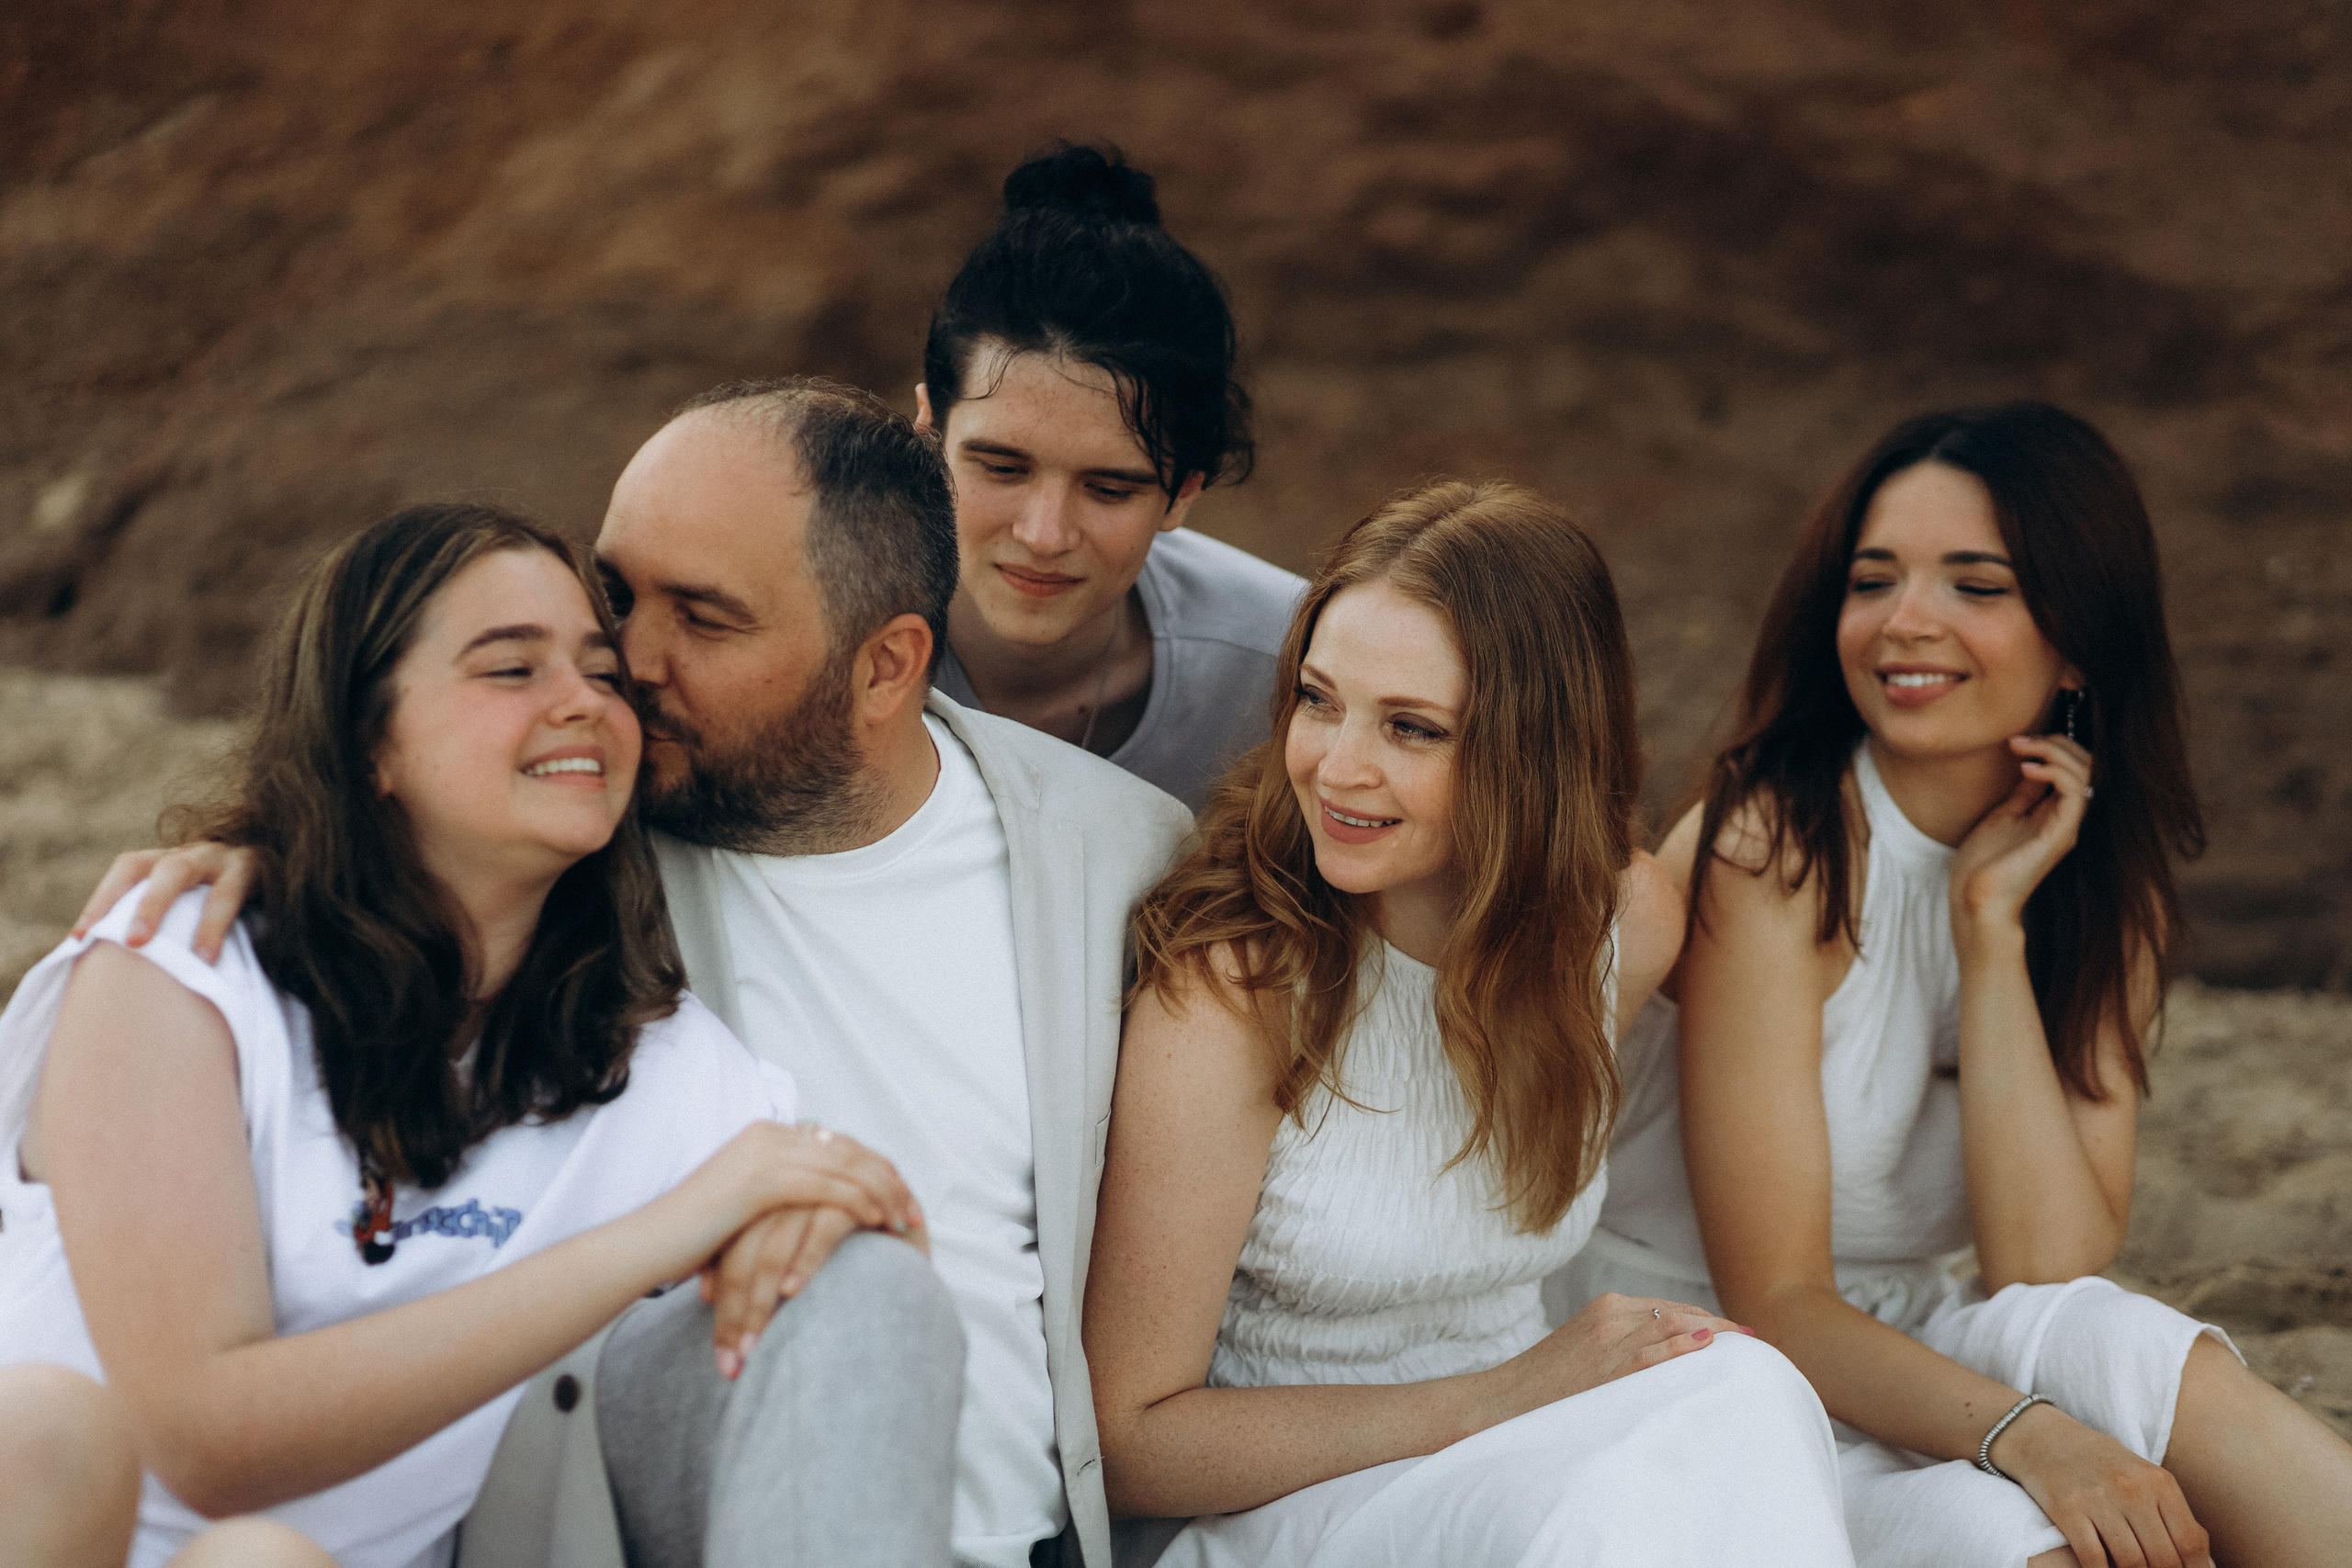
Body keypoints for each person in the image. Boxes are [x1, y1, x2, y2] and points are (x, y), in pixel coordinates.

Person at [80, 379, 1197, 1568]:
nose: (623, 664)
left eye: (704, 618)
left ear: (886, 667)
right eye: (615, 596)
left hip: (1011, 1523)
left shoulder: (1117, 857)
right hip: (604, 1501)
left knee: (864, 1287)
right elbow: (434, 791)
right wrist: (281, 853)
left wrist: (816, 1210)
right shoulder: (566, 844)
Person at [1, 503, 936, 1568]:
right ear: (370, 743)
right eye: (510, 670)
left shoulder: (671, 1071)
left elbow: (830, 1262)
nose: (582, 703)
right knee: (58, 1435)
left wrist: (808, 1231)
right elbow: (210, 1440)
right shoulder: (185, 968)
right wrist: (654, 1237)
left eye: (600, 671)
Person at [1554, 402, 2352, 1567]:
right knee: (2036, 1542)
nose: (1904, 623)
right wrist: (2035, 1440)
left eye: (1976, 586)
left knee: (2141, 1350)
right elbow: (1774, 1296)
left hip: (1922, 1346)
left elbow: (2042, 1273)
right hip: (1697, 1365)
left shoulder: (2095, 890)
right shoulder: (1767, 847)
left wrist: (1988, 933)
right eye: (1873, 580)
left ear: (2079, 637)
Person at [1084, 479, 1857, 1566]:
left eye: (1411, 727)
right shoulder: (1235, 992)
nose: (1337, 767)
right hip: (1272, 1520)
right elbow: (1130, 1443)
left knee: (1742, 1385)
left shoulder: (1621, 922)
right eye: (1318, 699)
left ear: (1531, 749)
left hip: (1529, 1475)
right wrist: (1507, 1397)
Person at [919, 142, 1306, 812]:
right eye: (1003, 467)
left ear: (1183, 490)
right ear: (927, 437)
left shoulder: (1294, 670)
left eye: (1109, 488)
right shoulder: (813, 634)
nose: (1043, 534)